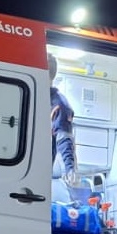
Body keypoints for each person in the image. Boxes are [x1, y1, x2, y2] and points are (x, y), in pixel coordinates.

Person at [49, 56, 81, 188]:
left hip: (39, 171)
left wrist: (70, 169)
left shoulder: (59, 104)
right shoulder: (34, 97)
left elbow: (64, 139)